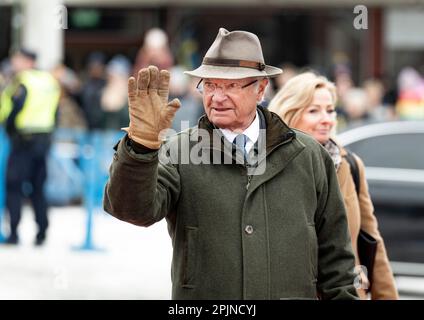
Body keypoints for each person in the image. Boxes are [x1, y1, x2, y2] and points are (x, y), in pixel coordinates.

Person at [103, 28, 358, 300]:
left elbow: (337, 261)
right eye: (210, 84)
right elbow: (131, 210)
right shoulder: (179, 151)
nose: (218, 96)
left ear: (261, 89)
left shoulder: (308, 155)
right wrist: (140, 146)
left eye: (231, 85)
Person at [268, 72, 399, 300]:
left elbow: (371, 240)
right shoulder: (267, 167)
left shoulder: (349, 165)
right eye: (313, 110)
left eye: (330, 110)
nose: (326, 119)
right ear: (290, 113)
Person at [0, 48, 60, 245]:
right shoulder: (49, 81)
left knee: (14, 186)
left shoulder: (23, 80)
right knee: (38, 188)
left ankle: (14, 233)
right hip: (43, 140)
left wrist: (9, 128)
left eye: (17, 59)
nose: (14, 63)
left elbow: (15, 107)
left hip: (22, 141)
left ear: (27, 61)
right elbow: (56, 111)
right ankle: (42, 232)